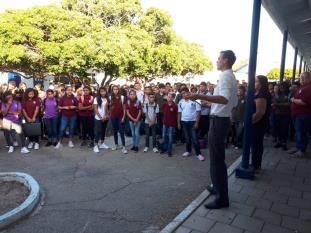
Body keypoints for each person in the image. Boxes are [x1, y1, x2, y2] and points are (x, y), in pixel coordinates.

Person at [188, 50, 238, 209]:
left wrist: (199, 96)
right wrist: (210, 104)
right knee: (216, 158)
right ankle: (217, 188)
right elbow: (231, 102)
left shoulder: (225, 76)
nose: (216, 61)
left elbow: (224, 99)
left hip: (219, 122)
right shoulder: (230, 76)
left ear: (226, 60)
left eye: (219, 58)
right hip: (220, 120)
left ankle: (222, 198)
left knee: (217, 161)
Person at [178, 87, 205, 162]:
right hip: (184, 121)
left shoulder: (195, 100)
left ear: (188, 92)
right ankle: (188, 151)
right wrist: (178, 123)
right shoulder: (180, 102)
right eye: (182, 94)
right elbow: (179, 113)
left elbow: (198, 112)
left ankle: (198, 154)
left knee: (194, 138)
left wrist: (197, 122)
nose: (183, 95)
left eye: (184, 93)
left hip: (193, 122)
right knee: (187, 138)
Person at [289, 71, 311, 158]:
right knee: (299, 132)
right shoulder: (302, 87)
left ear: (309, 78)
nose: (301, 79)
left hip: (303, 115)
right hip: (298, 114)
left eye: (303, 77)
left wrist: (293, 100)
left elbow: (304, 102)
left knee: (301, 132)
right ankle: (298, 147)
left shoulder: (308, 88)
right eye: (300, 77)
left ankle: (302, 150)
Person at [251, 75, 271, 169]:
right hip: (257, 124)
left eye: (256, 81)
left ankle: (256, 165)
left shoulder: (262, 94)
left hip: (258, 124)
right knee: (255, 144)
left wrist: (250, 122)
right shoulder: (258, 93)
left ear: (262, 83)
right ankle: (255, 163)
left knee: (256, 144)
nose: (254, 83)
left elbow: (260, 112)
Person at [109, 85, 127, 154]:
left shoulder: (122, 97)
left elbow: (124, 108)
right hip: (113, 117)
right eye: (114, 89)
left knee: (121, 132)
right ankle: (116, 145)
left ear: (118, 90)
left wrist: (123, 117)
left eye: (116, 89)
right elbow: (108, 107)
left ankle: (124, 147)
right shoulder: (110, 97)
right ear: (112, 90)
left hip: (120, 117)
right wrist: (109, 114)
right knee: (115, 132)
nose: (115, 90)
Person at [273, 82, 290, 150]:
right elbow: (274, 103)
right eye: (280, 87)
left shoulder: (289, 94)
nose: (281, 88)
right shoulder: (277, 94)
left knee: (285, 129)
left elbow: (289, 104)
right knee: (278, 128)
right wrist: (283, 104)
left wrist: (279, 104)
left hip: (286, 114)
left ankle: (284, 143)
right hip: (277, 114)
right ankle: (279, 142)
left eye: (283, 87)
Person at [93, 87, 110, 153]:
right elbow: (95, 109)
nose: (103, 93)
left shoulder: (107, 99)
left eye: (104, 91)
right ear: (99, 92)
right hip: (98, 118)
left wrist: (106, 116)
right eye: (101, 91)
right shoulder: (96, 98)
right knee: (98, 132)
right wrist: (100, 117)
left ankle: (102, 144)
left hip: (105, 118)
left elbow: (107, 108)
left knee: (103, 131)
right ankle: (95, 146)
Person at [161, 92, 178, 156]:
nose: (168, 98)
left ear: (173, 98)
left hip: (171, 124)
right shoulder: (165, 104)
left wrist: (176, 124)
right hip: (165, 123)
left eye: (170, 97)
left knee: (170, 137)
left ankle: (169, 150)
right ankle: (165, 148)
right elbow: (164, 113)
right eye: (168, 97)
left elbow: (176, 115)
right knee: (164, 136)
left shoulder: (175, 106)